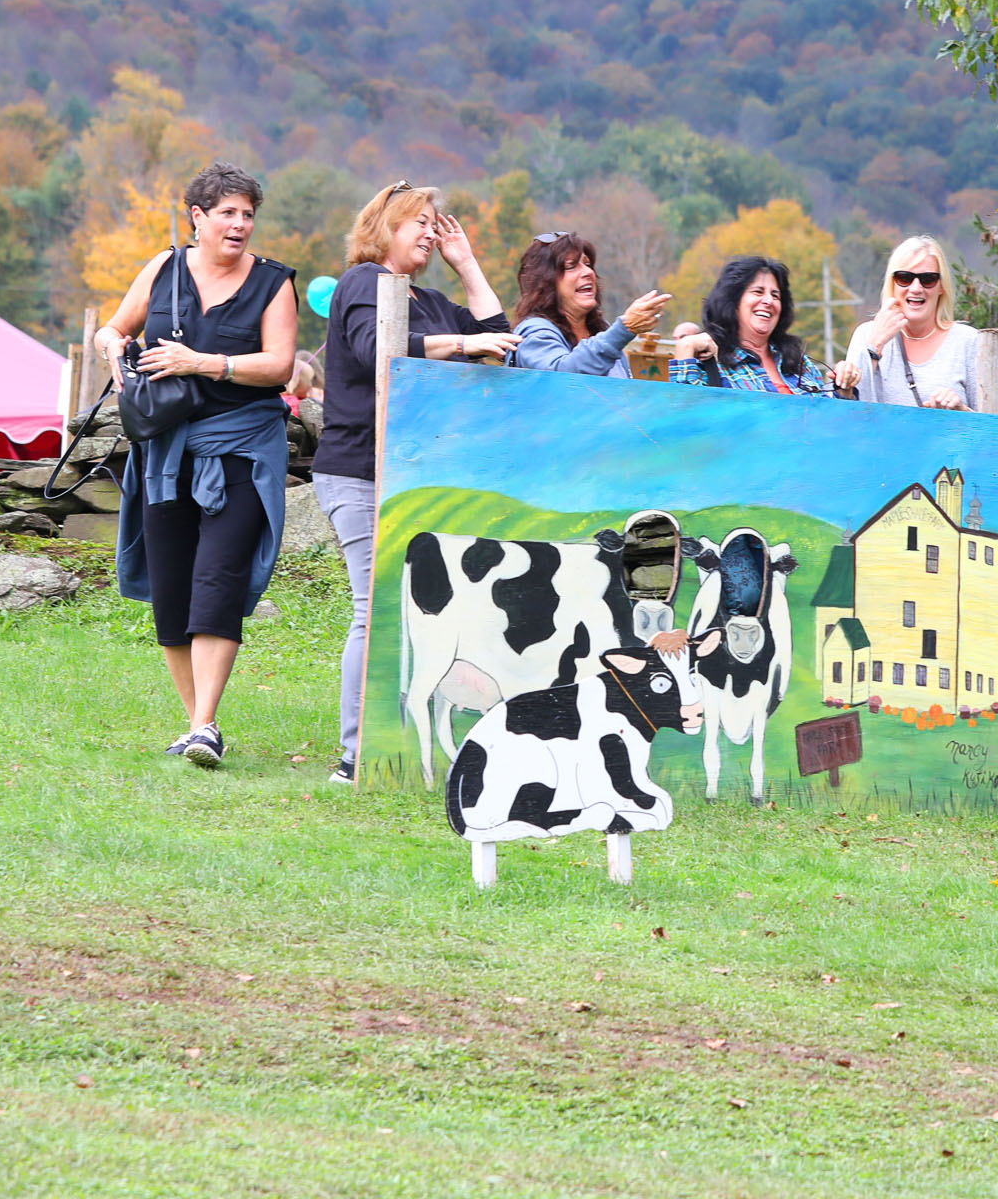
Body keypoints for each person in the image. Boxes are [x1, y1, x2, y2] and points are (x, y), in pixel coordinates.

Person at [309, 183, 517, 784]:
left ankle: (411, 743)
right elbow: (380, 349)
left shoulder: (432, 301)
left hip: (420, 478)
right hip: (359, 472)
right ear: (385, 227)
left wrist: (466, 264)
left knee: (427, 614)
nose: (430, 231)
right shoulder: (363, 282)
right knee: (373, 607)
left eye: (434, 222)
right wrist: (463, 343)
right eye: (418, 222)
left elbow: (498, 338)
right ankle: (355, 756)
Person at [92, 164, 298, 768]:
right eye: (227, 213)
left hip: (241, 448)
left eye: (248, 215)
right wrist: (113, 350)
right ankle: (196, 723)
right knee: (173, 587)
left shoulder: (273, 283)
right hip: (165, 451)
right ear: (198, 217)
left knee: (218, 578)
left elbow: (280, 365)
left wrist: (204, 363)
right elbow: (114, 328)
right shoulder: (162, 268)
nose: (239, 224)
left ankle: (206, 723)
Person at [834, 235, 991, 410]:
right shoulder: (866, 335)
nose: (916, 288)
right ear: (892, 284)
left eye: (928, 279)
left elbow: (991, 421)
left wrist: (960, 412)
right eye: (905, 278)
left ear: (941, 286)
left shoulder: (968, 341)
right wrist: (874, 347)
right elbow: (851, 413)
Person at [509, 231, 671, 376]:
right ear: (545, 282)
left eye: (587, 264)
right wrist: (623, 330)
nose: (588, 272)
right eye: (571, 266)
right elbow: (562, 378)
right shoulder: (534, 333)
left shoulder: (601, 329)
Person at [671, 254, 834, 394]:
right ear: (733, 301)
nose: (769, 301)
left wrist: (842, 391)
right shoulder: (708, 360)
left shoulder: (799, 363)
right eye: (758, 291)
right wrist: (685, 346)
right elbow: (684, 412)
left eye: (775, 295)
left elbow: (826, 415)